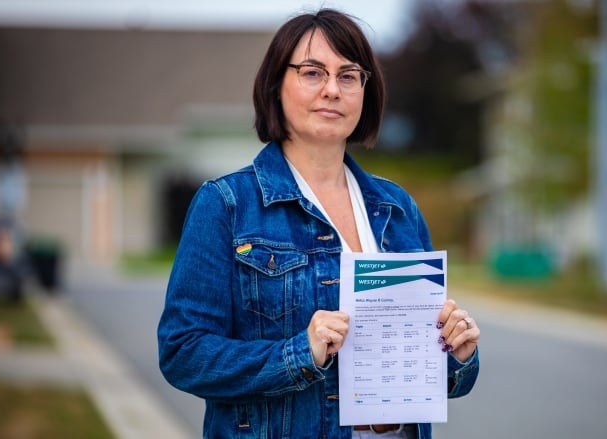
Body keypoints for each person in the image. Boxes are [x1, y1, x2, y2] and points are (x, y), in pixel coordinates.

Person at [157, 8, 480, 439]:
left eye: (349, 76)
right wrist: (299, 354)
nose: (332, 89)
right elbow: (183, 353)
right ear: (276, 85)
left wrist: (456, 355)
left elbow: (433, 374)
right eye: (313, 72)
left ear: (366, 91)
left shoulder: (397, 208)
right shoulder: (227, 205)